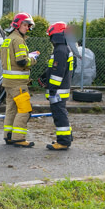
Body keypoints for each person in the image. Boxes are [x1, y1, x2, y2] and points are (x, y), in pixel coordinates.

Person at [1, 12, 40, 147]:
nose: (27, 28)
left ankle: (9, 136)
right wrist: (33, 59)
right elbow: (22, 61)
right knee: (24, 110)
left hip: (8, 82)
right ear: (17, 25)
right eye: (25, 25)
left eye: (28, 26)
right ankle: (18, 138)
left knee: (11, 110)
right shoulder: (18, 40)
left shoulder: (8, 39)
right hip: (18, 83)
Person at [44, 22, 74, 150]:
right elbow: (56, 69)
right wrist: (45, 76)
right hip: (61, 88)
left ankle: (63, 141)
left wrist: (51, 88)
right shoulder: (64, 48)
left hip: (57, 90)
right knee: (62, 113)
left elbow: (57, 72)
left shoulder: (60, 50)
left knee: (59, 114)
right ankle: (67, 137)